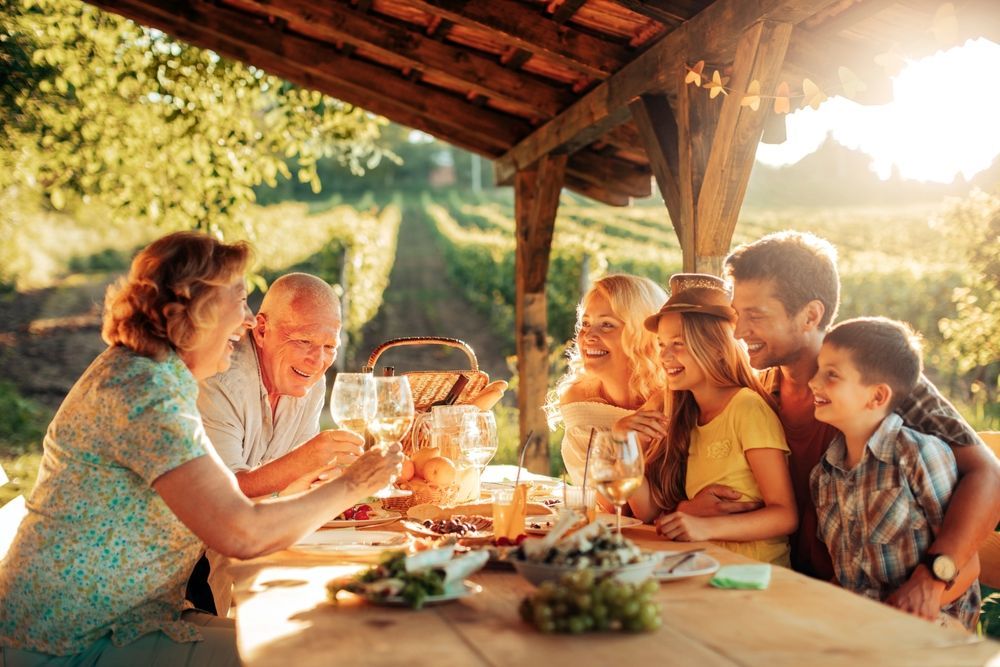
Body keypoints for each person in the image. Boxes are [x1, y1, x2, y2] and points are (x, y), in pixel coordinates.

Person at [0, 232, 402, 666]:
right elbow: (240, 532)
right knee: (319, 651)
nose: (248, 319)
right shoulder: (141, 392)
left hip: (134, 621)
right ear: (194, 308)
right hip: (69, 643)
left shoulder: (158, 376)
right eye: (239, 298)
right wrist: (354, 484)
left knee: (326, 636)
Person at [722, 230, 999, 619]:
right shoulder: (759, 390)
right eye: (737, 314)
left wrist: (934, 577)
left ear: (810, 316)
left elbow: (986, 472)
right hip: (802, 596)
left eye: (755, 316)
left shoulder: (869, 379)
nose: (738, 331)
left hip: (898, 617)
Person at [809, 317, 980, 630]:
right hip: (861, 628)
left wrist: (910, 611)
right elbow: (849, 574)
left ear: (877, 397)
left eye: (831, 375)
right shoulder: (823, 476)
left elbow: (967, 562)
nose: (814, 382)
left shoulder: (918, 454)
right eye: (818, 370)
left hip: (932, 632)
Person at [637, 274, 797, 566]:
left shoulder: (747, 408)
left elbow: (785, 515)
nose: (665, 356)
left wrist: (705, 527)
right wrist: (625, 444)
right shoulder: (685, 413)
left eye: (679, 343)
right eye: (661, 345)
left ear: (715, 348)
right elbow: (645, 512)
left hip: (754, 571)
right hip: (705, 563)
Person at [197, 272, 361, 498]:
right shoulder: (220, 379)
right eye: (304, 341)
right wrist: (304, 460)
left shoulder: (310, 380)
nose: (317, 361)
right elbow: (223, 493)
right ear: (262, 331)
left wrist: (322, 477)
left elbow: (299, 487)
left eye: (330, 346)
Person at [548, 274, 669, 485]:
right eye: (585, 323)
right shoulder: (580, 402)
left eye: (606, 325)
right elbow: (607, 500)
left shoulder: (677, 395)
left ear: (642, 334)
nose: (588, 336)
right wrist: (626, 439)